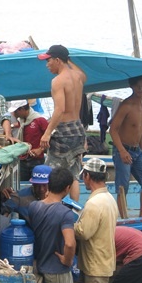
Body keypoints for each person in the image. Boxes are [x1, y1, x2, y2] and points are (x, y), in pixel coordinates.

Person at [74, 157, 119, 283]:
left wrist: (69, 224)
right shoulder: (109, 199)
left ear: (87, 176)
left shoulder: (94, 203)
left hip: (95, 262)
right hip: (104, 258)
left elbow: (83, 233)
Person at [38, 45, 87, 200]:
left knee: (49, 173)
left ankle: (50, 207)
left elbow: (60, 110)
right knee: (73, 176)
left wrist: (46, 134)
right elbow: (83, 74)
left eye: (49, 60)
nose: (47, 65)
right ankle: (74, 211)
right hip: (78, 129)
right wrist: (68, 60)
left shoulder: (57, 81)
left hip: (64, 131)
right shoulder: (79, 76)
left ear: (57, 60)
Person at [109, 74, 142, 217]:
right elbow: (113, 130)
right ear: (132, 86)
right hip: (123, 149)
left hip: (138, 151)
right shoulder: (126, 105)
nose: (140, 88)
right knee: (123, 187)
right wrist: (122, 151)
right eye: (137, 85)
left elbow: (140, 130)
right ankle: (123, 218)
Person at [8, 99, 48, 181]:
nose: (14, 114)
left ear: (22, 109)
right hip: (22, 159)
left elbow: (50, 136)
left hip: (36, 160)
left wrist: (40, 149)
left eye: (16, 112)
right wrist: (10, 127)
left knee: (38, 183)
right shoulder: (22, 120)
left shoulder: (39, 120)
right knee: (21, 182)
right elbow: (20, 125)